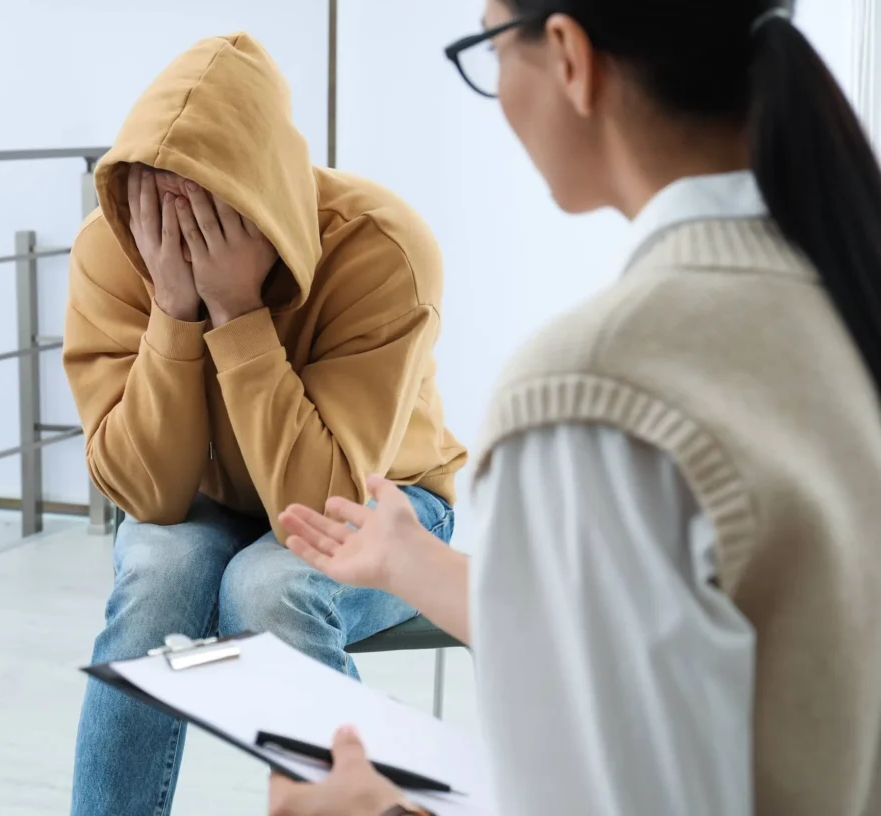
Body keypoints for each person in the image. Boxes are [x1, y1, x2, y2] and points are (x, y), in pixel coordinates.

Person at [271, 1, 881, 815]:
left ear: (568, 55)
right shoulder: (844, 296)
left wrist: (375, 812)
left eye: (489, 44)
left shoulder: (591, 391)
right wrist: (416, 564)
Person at [63, 32, 467, 815]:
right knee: (158, 576)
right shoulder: (112, 249)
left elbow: (324, 505)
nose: (174, 227)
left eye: (206, 205)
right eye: (152, 201)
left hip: (387, 501)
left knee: (268, 587)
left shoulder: (379, 245)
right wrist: (175, 310)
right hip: (206, 497)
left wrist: (238, 311)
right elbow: (147, 496)